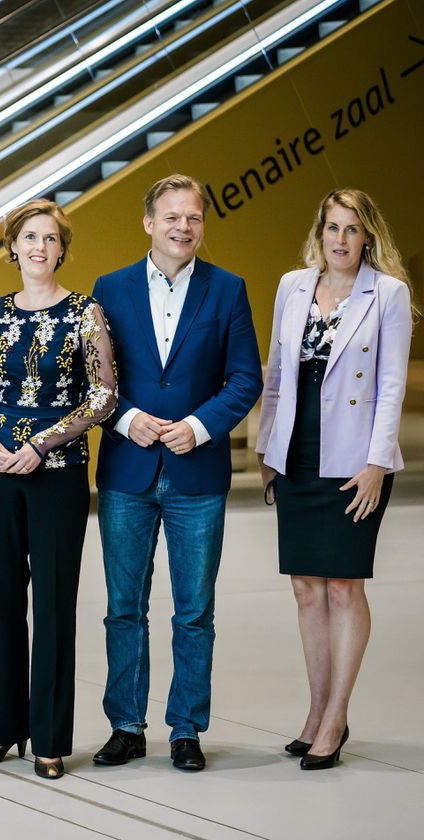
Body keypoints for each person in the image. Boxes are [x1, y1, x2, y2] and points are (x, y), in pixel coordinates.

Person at [89, 174, 262, 772]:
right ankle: (126, 725)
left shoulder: (228, 290)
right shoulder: (107, 290)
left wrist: (199, 426)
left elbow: (245, 379)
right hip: (127, 471)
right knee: (123, 605)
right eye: (171, 217)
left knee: (194, 609)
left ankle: (186, 729)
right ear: (148, 223)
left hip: (198, 473)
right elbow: (93, 381)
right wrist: (125, 418)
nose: (183, 227)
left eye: (193, 218)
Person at [256, 189, 412, 770]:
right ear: (319, 232)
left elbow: (391, 383)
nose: (340, 240)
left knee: (344, 586)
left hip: (354, 456)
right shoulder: (292, 285)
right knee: (305, 587)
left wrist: (377, 462)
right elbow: (276, 374)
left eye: (351, 229)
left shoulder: (388, 294)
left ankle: (337, 716)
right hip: (297, 450)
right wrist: (268, 450)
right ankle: (316, 710)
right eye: (331, 228)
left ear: (368, 236)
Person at [0, 200, 116, 779]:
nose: (38, 247)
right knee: (2, 605)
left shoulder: (85, 314)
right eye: (28, 237)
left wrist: (41, 444)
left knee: (52, 605)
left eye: (50, 239)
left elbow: (104, 396)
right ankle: (3, 731)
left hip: (57, 477)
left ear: (61, 249)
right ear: (12, 247)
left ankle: (49, 739)